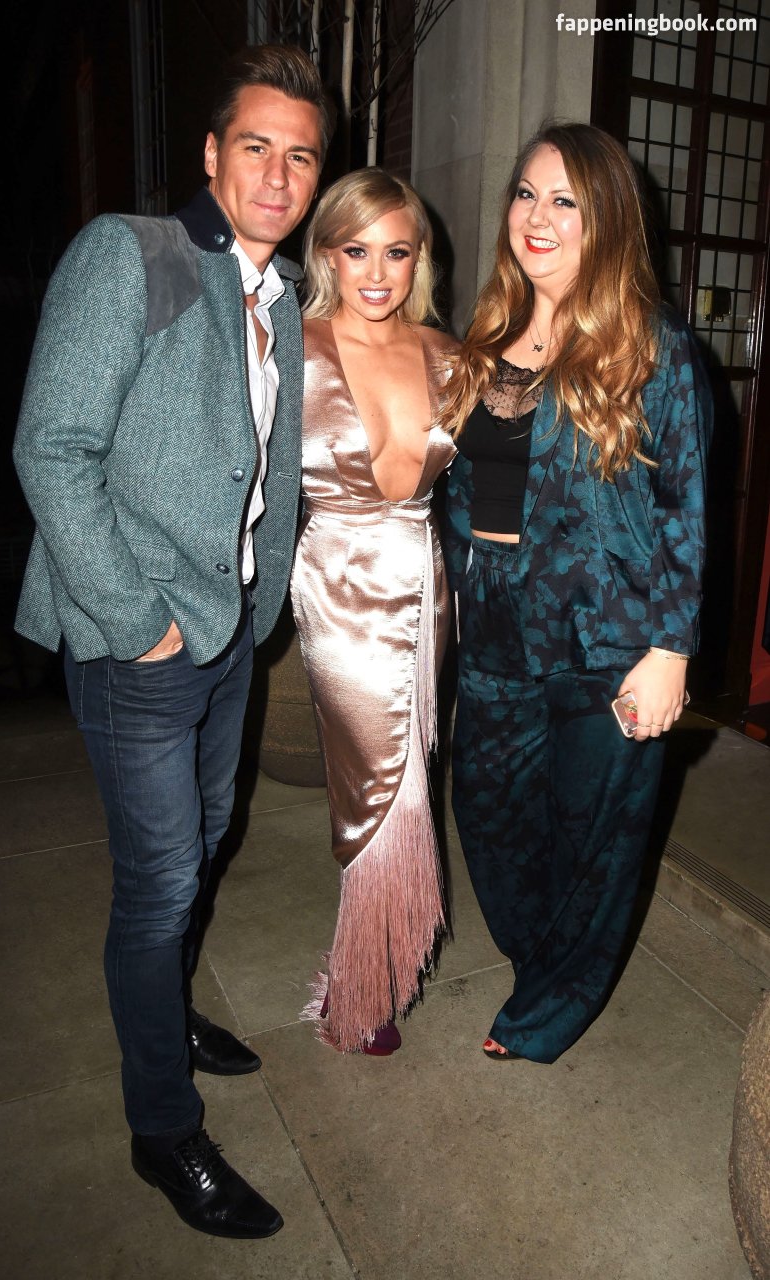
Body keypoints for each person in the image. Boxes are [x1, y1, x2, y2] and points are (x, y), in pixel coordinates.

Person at [12, 46, 333, 1238]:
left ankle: (167, 1009)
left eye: (300, 155)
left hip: (230, 631)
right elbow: (52, 449)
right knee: (157, 887)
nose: (278, 175)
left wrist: (259, 604)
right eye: (255, 146)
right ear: (210, 153)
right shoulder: (131, 255)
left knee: (202, 845)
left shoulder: (281, 296)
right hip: (138, 638)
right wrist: (138, 622)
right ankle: (163, 1128)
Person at [442, 123, 712, 1065]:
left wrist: (670, 649)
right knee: (488, 816)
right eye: (525, 193)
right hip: (494, 630)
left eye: (564, 200)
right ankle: (543, 963)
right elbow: (458, 496)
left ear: (606, 221)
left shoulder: (655, 348)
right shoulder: (484, 342)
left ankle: (544, 1012)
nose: (537, 215)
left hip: (609, 636)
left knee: (596, 840)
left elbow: (684, 507)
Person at [290, 169, 458, 1054]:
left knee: (414, 775)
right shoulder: (289, 346)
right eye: (356, 250)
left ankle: (376, 971)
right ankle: (357, 991)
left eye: (396, 252)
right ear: (326, 255)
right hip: (338, 586)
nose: (377, 272)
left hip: (424, 586)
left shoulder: (447, 355)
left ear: (418, 259)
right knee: (374, 787)